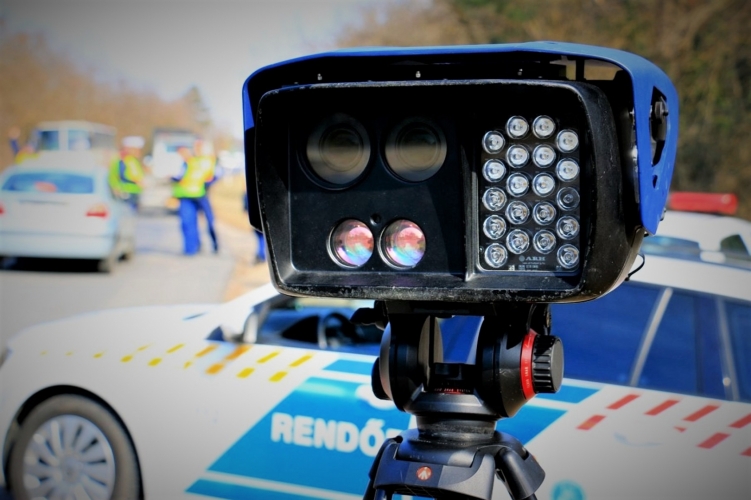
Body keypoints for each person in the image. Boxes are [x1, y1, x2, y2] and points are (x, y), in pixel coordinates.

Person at [172, 145, 219, 255]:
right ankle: (191, 249)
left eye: (183, 152)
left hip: (201, 195)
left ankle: (214, 244)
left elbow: (212, 175)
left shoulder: (201, 161)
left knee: (210, 222)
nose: (182, 155)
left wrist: (208, 184)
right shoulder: (182, 164)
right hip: (185, 197)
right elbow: (178, 178)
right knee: (188, 222)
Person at [109, 136, 145, 210]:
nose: (139, 152)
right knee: (130, 213)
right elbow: (136, 178)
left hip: (121, 193)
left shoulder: (118, 159)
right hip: (131, 193)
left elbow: (112, 176)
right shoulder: (130, 160)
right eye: (137, 149)